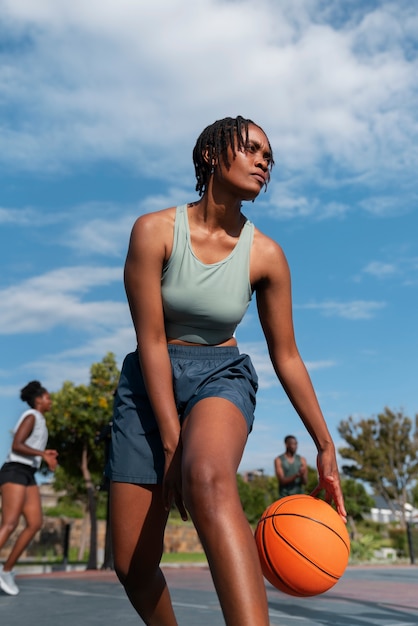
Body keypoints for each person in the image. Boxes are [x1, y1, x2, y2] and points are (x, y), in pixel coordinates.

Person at [107, 115, 347, 626]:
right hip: (148, 380)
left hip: (221, 374)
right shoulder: (153, 231)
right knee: (131, 563)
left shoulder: (266, 255)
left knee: (208, 477)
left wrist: (324, 443)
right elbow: (149, 339)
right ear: (214, 155)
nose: (265, 161)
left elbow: (287, 356)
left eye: (270, 158)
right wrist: (170, 437)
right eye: (254, 149)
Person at [0, 381, 58, 595]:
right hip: (14, 470)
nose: (50, 401)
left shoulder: (41, 421)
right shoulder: (31, 416)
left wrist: (45, 453)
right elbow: (17, 444)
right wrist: (43, 455)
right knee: (10, 522)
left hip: (28, 473)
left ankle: (6, 570)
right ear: (39, 399)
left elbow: (30, 447)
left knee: (35, 523)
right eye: (48, 397)